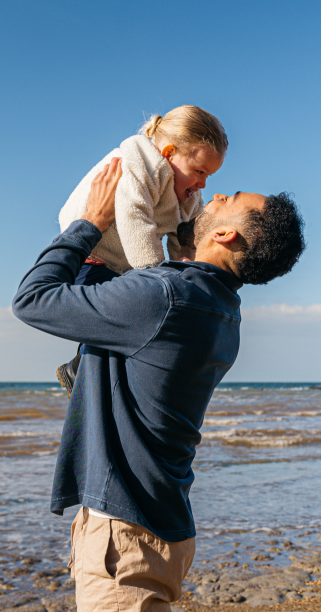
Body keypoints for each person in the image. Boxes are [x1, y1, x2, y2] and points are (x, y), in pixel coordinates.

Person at [12, 159, 305, 612]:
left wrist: (93, 223)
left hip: (126, 533)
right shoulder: (220, 309)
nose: (212, 197)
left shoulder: (164, 298)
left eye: (226, 199)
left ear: (228, 234)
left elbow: (33, 300)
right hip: (155, 521)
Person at [54, 105, 229, 395]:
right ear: (169, 153)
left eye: (209, 175)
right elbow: (133, 215)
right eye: (199, 171)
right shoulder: (140, 163)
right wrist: (155, 276)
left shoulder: (188, 194)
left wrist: (188, 272)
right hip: (90, 251)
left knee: (124, 328)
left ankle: (82, 370)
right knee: (116, 319)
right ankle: (80, 371)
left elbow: (185, 236)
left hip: (119, 262)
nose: (203, 183)